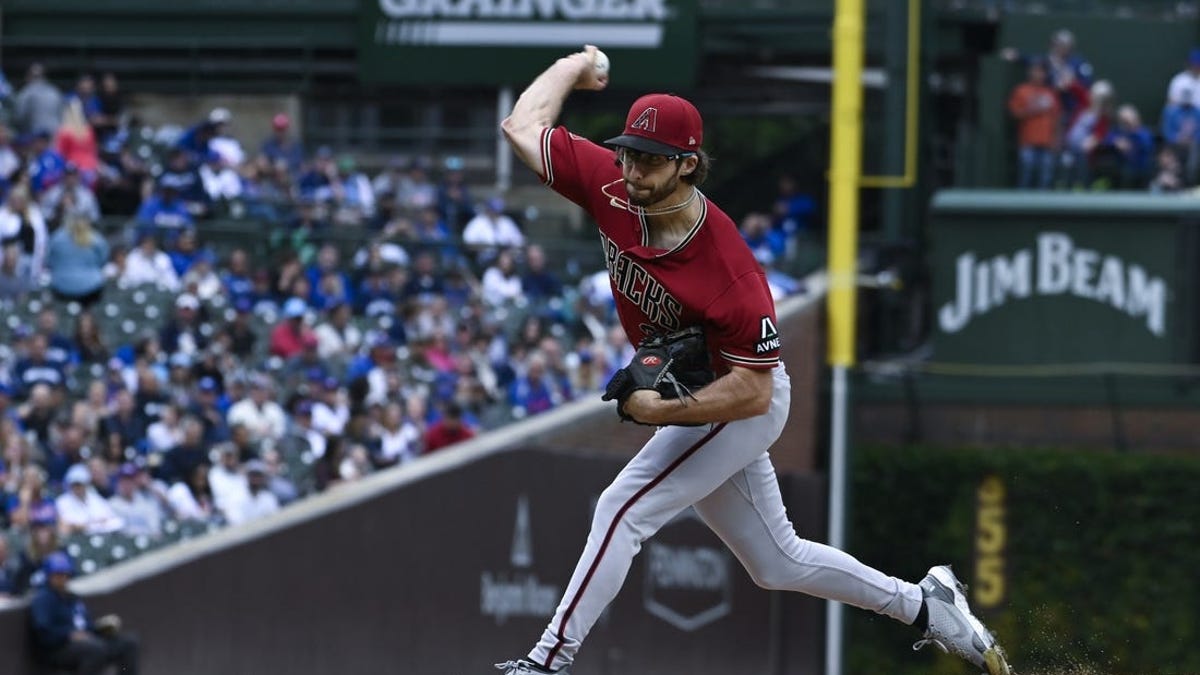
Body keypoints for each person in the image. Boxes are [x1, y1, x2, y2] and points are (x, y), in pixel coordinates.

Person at [493, 45, 1010, 675]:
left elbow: (756, 393)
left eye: (651, 161)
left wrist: (663, 407)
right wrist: (575, 67)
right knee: (777, 563)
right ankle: (928, 607)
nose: (632, 171)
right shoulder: (610, 182)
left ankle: (549, 659)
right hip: (700, 395)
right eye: (628, 152)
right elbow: (523, 126)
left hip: (736, 400)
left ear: (688, 166)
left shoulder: (729, 267)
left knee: (621, 509)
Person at [28, 551, 140, 674]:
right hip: (59, 648)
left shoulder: (72, 596)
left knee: (129, 642)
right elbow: (43, 631)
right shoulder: (43, 599)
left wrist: (100, 628)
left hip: (88, 640)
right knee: (95, 649)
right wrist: (69, 635)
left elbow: (85, 623)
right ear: (49, 576)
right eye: (58, 575)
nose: (63, 578)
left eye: (65, 575)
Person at [1008, 58, 1061, 189]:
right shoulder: (1021, 90)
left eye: (1042, 71)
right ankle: (1021, 208)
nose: (1039, 74)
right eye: (1036, 70)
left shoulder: (1050, 93)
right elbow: (1014, 113)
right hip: (1027, 142)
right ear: (1030, 72)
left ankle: (1043, 209)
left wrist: (1056, 140)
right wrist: (1034, 109)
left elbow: (1057, 119)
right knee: (1026, 175)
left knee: (1045, 178)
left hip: (1047, 143)